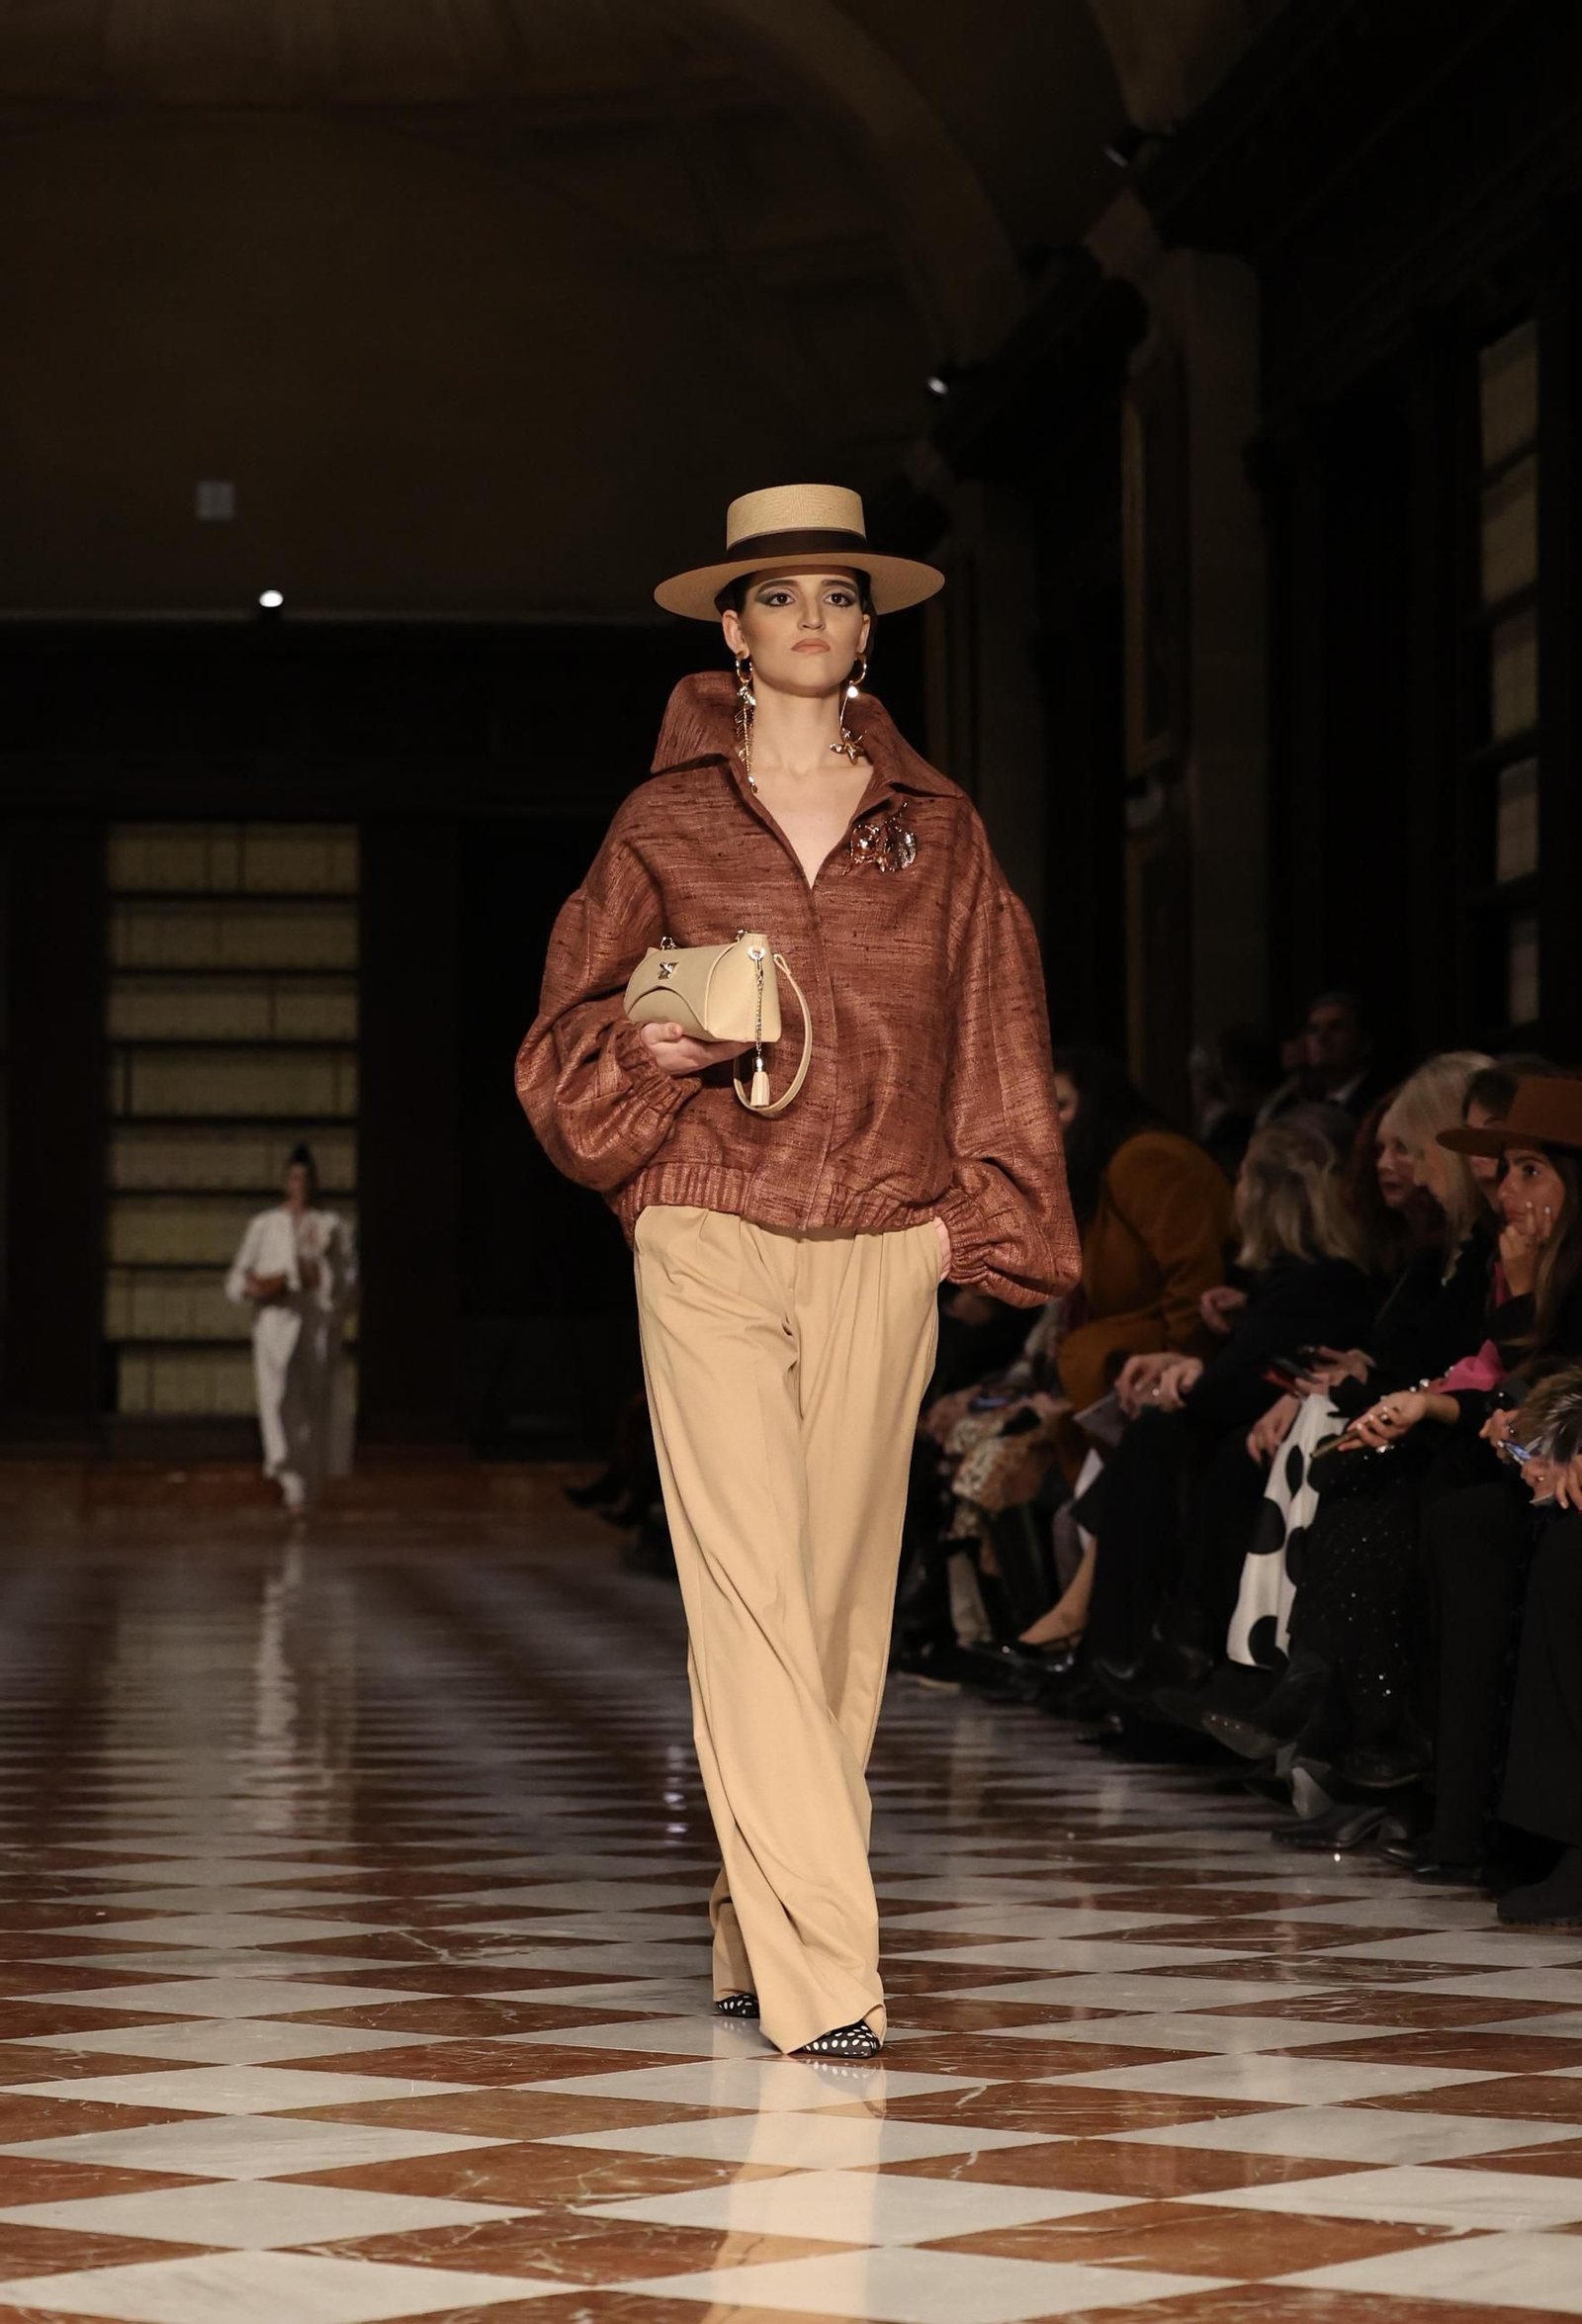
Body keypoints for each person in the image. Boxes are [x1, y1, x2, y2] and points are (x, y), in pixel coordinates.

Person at [516, 484, 1078, 2060]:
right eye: (780, 597)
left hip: (884, 1233)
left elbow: (996, 1026)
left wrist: (974, 1221)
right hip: (704, 1215)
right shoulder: (664, 823)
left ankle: (752, 1921)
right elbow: (563, 1036)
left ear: (867, 625)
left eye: (839, 594)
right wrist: (652, 1041)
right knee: (749, 1589)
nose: (813, 620)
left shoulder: (942, 830)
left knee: (832, 1611)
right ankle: (832, 1970)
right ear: (733, 629)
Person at [224, 1144, 357, 1517]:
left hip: (314, 1327)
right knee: (279, 1401)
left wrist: (319, 1273)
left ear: (314, 1182)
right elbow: (236, 1280)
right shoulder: (265, 1225)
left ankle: (309, 1487)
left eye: (306, 1177)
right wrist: (262, 1286)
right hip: (273, 1328)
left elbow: (348, 1286)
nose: (300, 1184)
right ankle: (291, 1485)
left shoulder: (330, 1226)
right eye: (294, 1177)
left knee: (314, 1407)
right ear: (286, 1181)